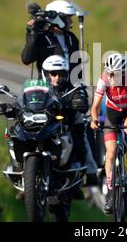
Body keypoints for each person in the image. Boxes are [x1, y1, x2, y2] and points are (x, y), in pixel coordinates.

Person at [89, 53, 127, 214]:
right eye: (109, 73)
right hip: (112, 112)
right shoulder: (104, 80)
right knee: (111, 152)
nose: (111, 77)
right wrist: (94, 120)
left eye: (115, 74)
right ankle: (109, 194)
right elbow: (94, 107)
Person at [42, 55, 98, 187]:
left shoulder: (73, 87)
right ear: (46, 74)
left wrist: (79, 102)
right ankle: (26, 177)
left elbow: (83, 101)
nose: (56, 78)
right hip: (44, 124)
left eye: (60, 74)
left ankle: (90, 170)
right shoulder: (39, 88)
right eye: (53, 74)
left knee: (80, 136)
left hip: (67, 122)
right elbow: (26, 99)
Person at [21, 0, 80, 79]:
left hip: (68, 88)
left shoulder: (71, 38)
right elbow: (26, 59)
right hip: (46, 87)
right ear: (58, 19)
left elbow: (77, 68)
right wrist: (32, 34)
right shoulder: (41, 37)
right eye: (68, 18)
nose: (71, 21)